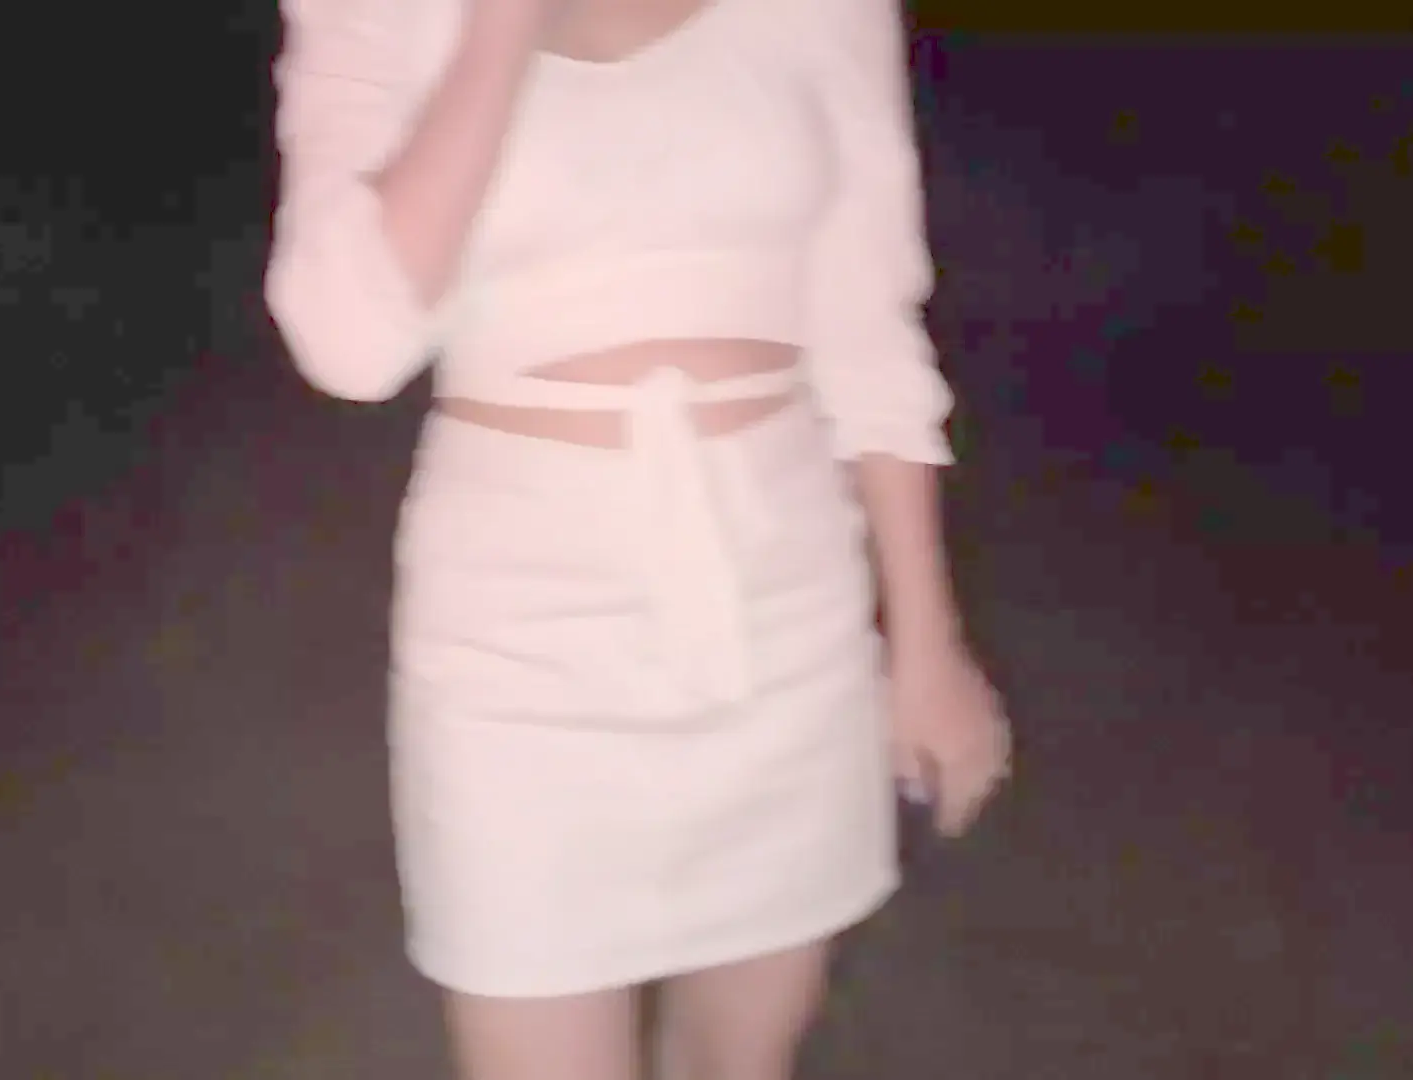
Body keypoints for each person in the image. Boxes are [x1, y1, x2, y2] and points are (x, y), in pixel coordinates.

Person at [262, 0, 1012, 1076]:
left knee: (738, 1062)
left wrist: (927, 647)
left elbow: (869, 340)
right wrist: (498, 32)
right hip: (519, 646)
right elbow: (349, 341)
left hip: (782, 613)